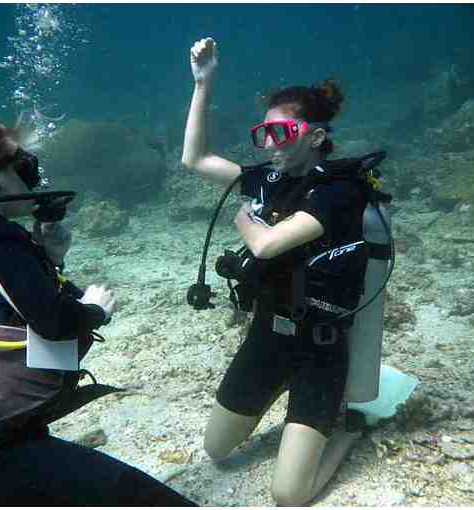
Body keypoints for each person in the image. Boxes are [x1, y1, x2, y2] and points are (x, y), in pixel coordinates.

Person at [0, 119, 196, 506]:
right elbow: (55, 323)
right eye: (22, 166)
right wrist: (94, 310)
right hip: (2, 455)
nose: (32, 176)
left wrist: (49, 259)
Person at [182, 37, 374, 506]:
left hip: (319, 348)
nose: (270, 144)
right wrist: (203, 85)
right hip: (268, 335)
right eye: (263, 133)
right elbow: (195, 159)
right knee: (215, 449)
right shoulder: (269, 180)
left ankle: (347, 431)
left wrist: (242, 217)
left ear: (316, 137)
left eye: (281, 132)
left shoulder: (341, 192)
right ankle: (291, 409)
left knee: (289, 496)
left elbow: (266, 244)